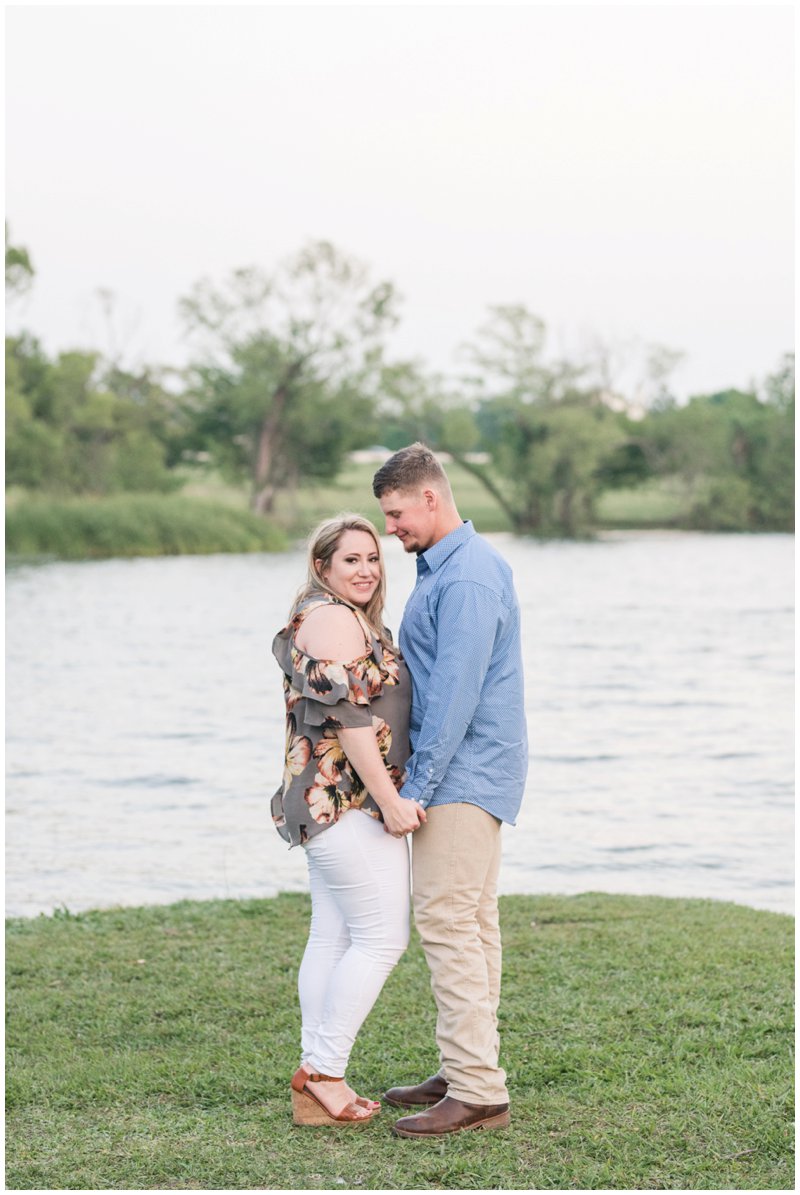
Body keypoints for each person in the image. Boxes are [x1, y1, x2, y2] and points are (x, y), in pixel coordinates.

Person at [372, 443, 528, 1139]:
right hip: (471, 773)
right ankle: (465, 1067)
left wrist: (414, 790)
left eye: (397, 513)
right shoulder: (447, 568)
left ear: (430, 497)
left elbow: (456, 696)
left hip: (460, 777)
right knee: (472, 923)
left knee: (447, 922)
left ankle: (477, 1090)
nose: (391, 529)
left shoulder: (465, 578)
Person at [271, 513, 426, 1127]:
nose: (365, 570)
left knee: (333, 935)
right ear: (322, 568)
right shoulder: (333, 618)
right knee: (382, 938)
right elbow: (348, 719)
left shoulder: (336, 615)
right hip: (346, 801)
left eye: (372, 558)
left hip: (325, 802)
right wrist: (390, 800)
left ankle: (316, 1080)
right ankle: (324, 1073)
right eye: (350, 561)